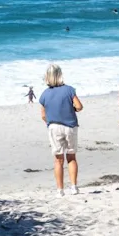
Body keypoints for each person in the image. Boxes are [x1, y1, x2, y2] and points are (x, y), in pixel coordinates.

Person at [39, 64, 83, 196]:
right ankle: (74, 187)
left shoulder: (45, 94)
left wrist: (51, 121)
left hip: (54, 127)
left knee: (58, 159)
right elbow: (79, 106)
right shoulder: (69, 90)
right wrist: (72, 109)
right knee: (71, 157)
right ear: (60, 75)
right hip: (69, 126)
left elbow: (43, 115)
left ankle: (60, 190)